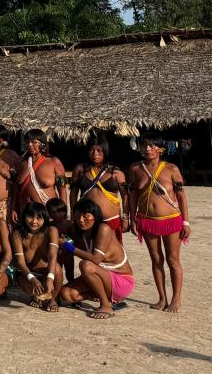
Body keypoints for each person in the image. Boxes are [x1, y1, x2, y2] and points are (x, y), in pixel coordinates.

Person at [127, 136, 189, 313]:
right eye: (145, 145)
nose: (148, 148)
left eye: (152, 145)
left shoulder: (171, 169)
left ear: (160, 148)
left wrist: (186, 222)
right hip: (147, 220)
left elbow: (182, 196)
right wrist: (132, 219)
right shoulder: (135, 169)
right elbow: (132, 196)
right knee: (156, 260)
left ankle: (176, 299)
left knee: (173, 260)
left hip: (171, 220)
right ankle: (162, 297)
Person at [60, 199, 135, 319]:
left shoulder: (104, 228)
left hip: (121, 281)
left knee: (85, 265)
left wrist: (71, 248)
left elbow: (95, 259)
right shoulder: (78, 231)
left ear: (95, 216)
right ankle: (104, 295)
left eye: (85, 216)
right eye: (78, 216)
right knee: (66, 294)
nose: (81, 220)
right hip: (100, 277)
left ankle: (105, 305)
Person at [70, 137, 126, 243]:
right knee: (90, 253)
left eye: (99, 151)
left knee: (112, 255)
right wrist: (73, 214)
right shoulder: (80, 169)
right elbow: (73, 193)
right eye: (92, 150)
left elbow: (125, 196)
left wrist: (126, 218)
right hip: (87, 221)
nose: (95, 154)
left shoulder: (115, 171)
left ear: (105, 151)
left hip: (111, 220)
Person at [10, 201, 62, 311]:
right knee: (30, 289)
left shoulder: (51, 230)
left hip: (46, 272)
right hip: (27, 273)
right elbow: (20, 262)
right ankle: (35, 296)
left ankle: (53, 299)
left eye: (39, 218)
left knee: (56, 268)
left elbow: (53, 256)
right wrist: (32, 279)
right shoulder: (18, 233)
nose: (34, 221)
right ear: (24, 217)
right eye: (30, 217)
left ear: (45, 219)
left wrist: (50, 278)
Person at [15, 129, 66, 215]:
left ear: (42, 144)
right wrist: (14, 208)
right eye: (27, 142)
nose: (30, 145)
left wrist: (63, 211)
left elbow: (62, 188)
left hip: (48, 210)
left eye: (34, 142)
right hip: (24, 211)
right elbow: (16, 188)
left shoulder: (54, 162)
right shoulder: (21, 163)